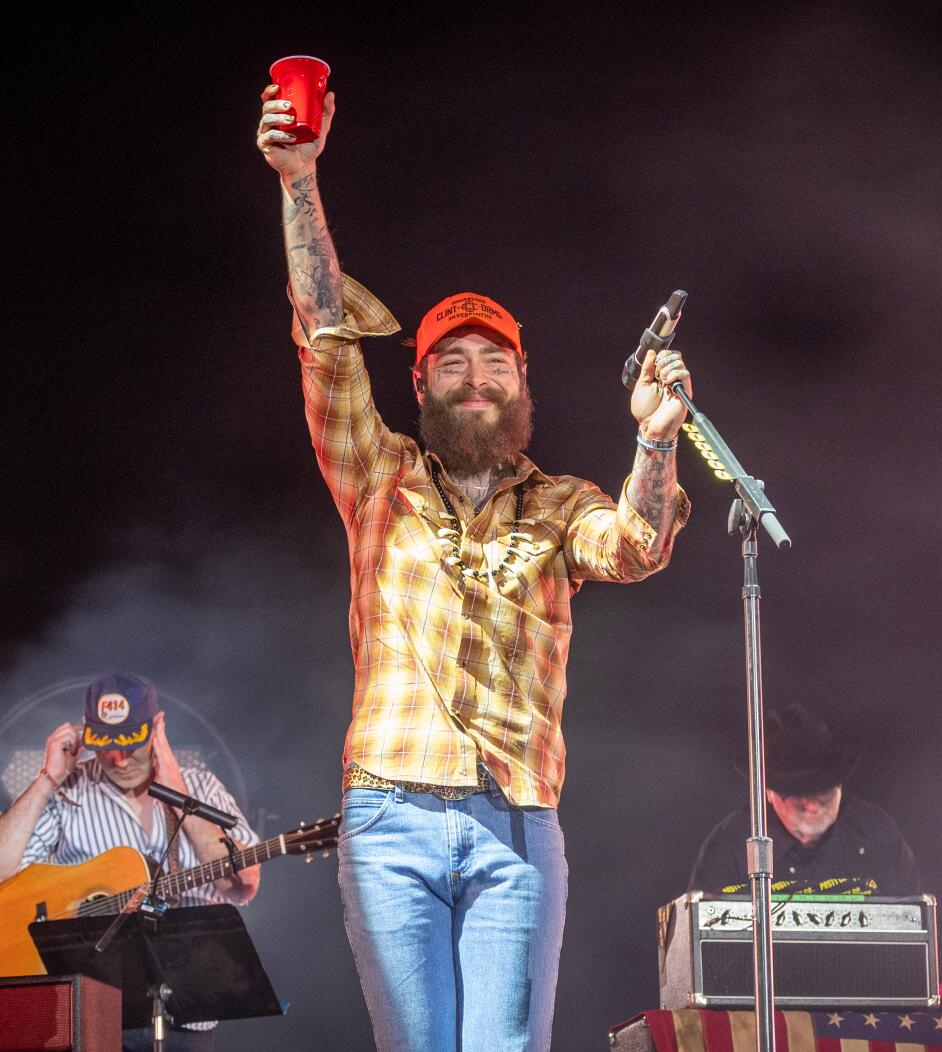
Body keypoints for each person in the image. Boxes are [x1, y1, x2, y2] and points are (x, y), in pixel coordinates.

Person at [256, 85, 694, 1052]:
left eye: (494, 360)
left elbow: (637, 548)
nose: (475, 376)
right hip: (389, 813)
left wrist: (657, 447)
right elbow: (324, 333)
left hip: (518, 823)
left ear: (523, 381)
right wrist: (301, 182)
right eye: (451, 361)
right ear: (419, 385)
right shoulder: (380, 474)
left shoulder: (560, 501)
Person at [0, 672, 260, 1052]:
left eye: (131, 743)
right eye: (107, 746)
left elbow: (242, 884)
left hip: (184, 1018)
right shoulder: (69, 791)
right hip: (91, 1015)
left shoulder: (201, 787)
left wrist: (178, 792)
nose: (119, 759)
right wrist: (48, 778)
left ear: (157, 727)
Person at [687, 703, 922, 896]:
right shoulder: (733, 842)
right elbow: (703, 941)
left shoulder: (876, 831)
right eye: (797, 795)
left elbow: (920, 929)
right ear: (769, 794)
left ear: (839, 785)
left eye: (822, 792)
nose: (811, 805)